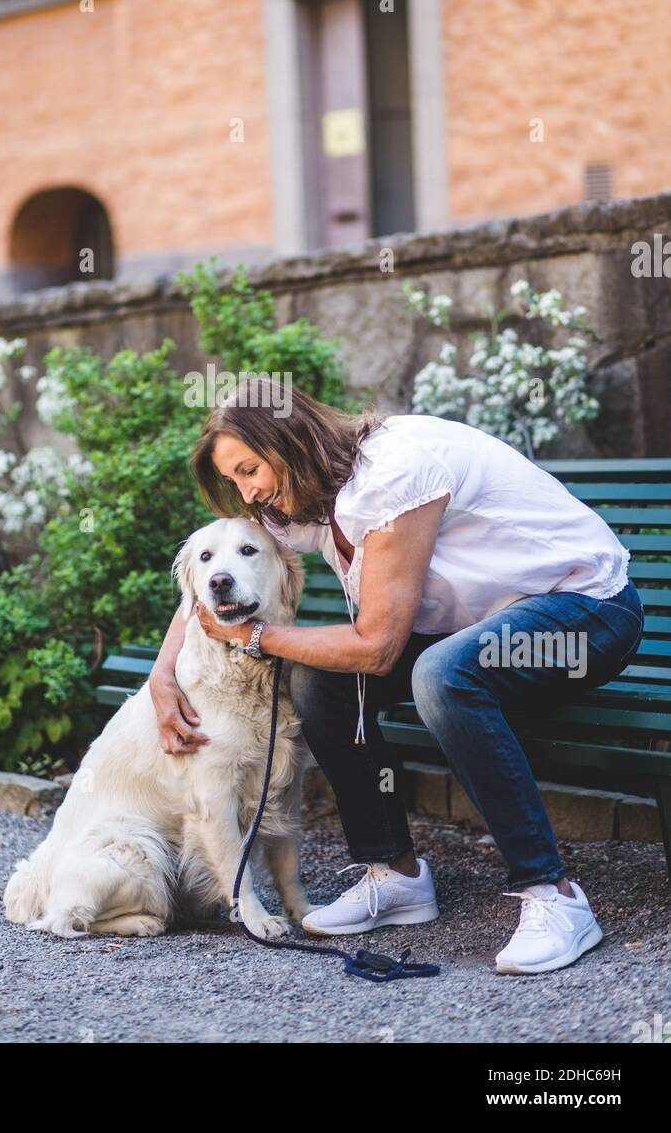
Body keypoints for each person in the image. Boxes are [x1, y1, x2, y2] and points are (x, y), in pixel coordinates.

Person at [148, 379, 645, 976]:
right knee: (318, 679)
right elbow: (213, 577)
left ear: (287, 439)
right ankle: (396, 873)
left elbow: (379, 647)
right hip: (486, 626)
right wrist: (162, 676)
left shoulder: (395, 472)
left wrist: (256, 637)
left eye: (249, 469)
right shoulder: (307, 496)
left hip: (582, 614)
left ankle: (554, 897)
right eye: (233, 480)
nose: (247, 491)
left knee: (441, 676)